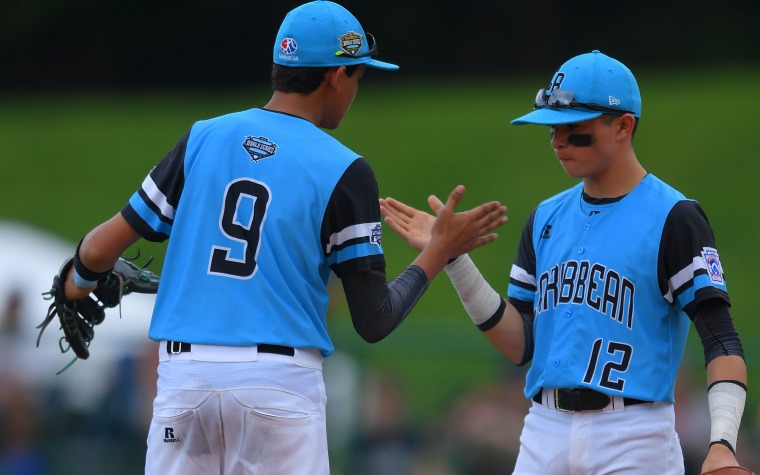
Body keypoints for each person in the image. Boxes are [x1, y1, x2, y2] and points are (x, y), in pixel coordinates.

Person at [59, 1, 507, 474]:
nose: (356, 90)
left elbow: (98, 249)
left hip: (184, 385)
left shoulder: (204, 137)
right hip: (276, 390)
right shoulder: (343, 168)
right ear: (336, 76)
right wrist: (439, 250)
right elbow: (374, 320)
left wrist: (76, 282)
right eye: (358, 76)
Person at [379, 50, 748, 474]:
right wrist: (451, 256)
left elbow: (721, 339)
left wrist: (722, 442)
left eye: (575, 130)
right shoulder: (545, 218)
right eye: (553, 128)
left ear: (623, 125)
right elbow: (519, 345)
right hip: (544, 429)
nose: (558, 141)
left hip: (633, 433)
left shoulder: (674, 217)